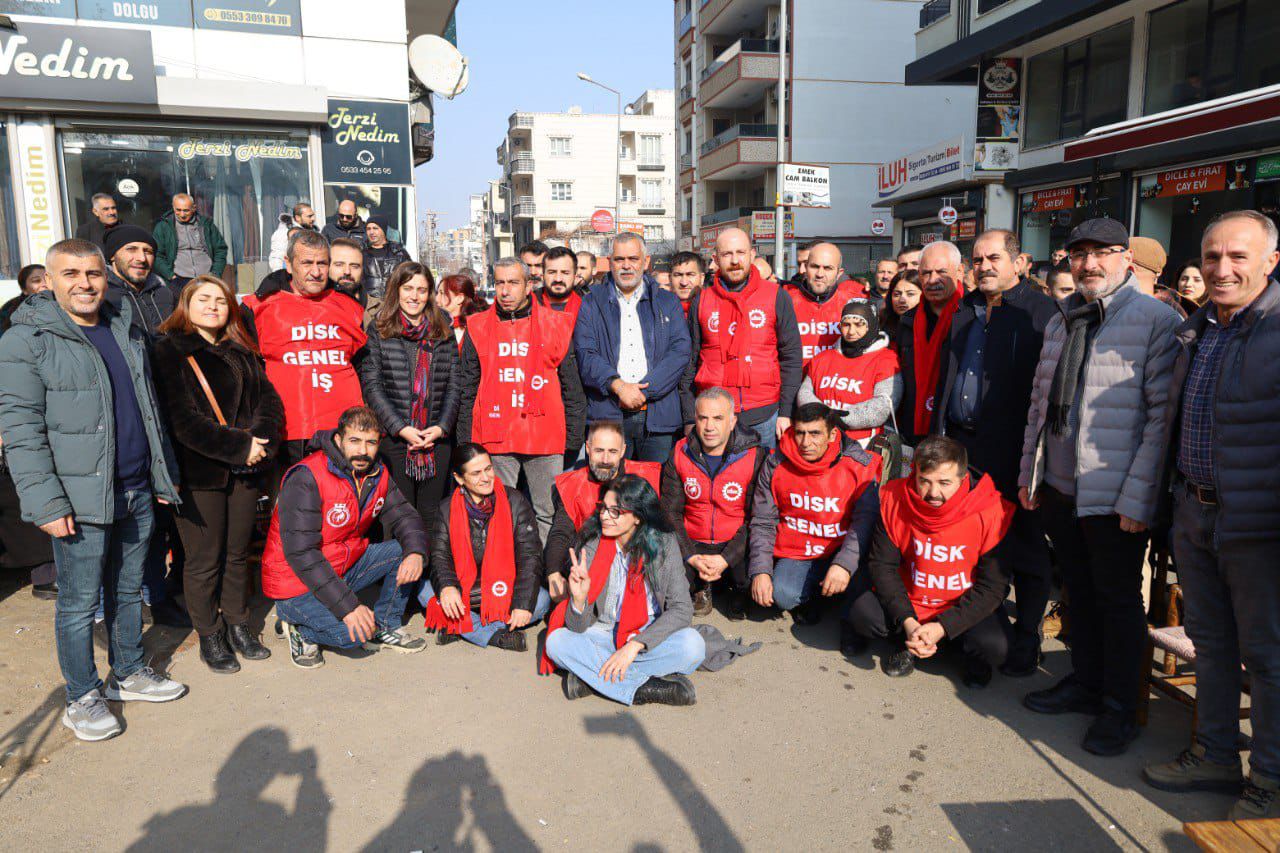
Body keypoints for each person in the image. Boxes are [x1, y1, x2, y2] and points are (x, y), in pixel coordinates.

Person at [0, 238, 185, 742]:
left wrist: (159, 475)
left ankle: (126, 672)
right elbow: (20, 428)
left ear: (107, 277)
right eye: (71, 274)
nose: (84, 284)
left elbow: (146, 409)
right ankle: (81, 695)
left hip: (135, 487)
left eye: (93, 274)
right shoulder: (27, 339)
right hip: (77, 498)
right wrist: (46, 502)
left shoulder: (123, 325)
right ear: (50, 281)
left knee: (128, 590)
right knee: (79, 603)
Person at [1018, 218, 1180, 757]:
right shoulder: (1065, 317)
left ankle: (1120, 707)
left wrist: (1140, 499)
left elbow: (1160, 422)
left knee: (1117, 602)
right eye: (1078, 254)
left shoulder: (1154, 320)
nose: (1088, 264)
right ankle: (1086, 684)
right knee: (1078, 595)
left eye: (1101, 253)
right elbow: (1040, 406)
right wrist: (1031, 475)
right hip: (1061, 486)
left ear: (1125, 259)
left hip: (1115, 494)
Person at [1143, 211, 1280, 819]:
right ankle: (1217, 754)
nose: (1222, 269)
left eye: (1238, 258)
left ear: (1271, 261)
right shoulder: (1197, 328)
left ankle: (1270, 782)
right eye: (1212, 256)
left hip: (1260, 529)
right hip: (1194, 513)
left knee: (1271, 659)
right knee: (1212, 646)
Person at [932, 230, 1057, 675]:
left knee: (1023, 545)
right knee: (969, 542)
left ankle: (1027, 636)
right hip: (963, 446)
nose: (985, 265)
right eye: (978, 259)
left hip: (1015, 451)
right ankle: (979, 626)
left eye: (995, 257)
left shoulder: (1040, 312)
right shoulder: (965, 309)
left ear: (1019, 261)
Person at [153, 275, 284, 673]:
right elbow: (181, 420)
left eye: (221, 301)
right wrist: (239, 447)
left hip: (245, 472)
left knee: (237, 554)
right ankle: (210, 633)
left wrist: (258, 443)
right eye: (203, 299)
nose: (213, 306)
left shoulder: (240, 350)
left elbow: (269, 403)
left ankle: (239, 622)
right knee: (204, 559)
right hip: (199, 474)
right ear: (186, 304)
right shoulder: (168, 350)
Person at [263, 406, 429, 668]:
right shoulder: (307, 476)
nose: (363, 451)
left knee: (403, 551)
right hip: (295, 581)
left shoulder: (377, 472)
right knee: (353, 635)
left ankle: (387, 625)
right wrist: (349, 607)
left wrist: (416, 552)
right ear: (339, 440)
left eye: (370, 442)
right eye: (354, 441)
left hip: (340, 564)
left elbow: (404, 516)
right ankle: (298, 626)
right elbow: (302, 554)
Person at [848, 435, 1014, 685]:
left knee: (996, 646)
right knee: (862, 614)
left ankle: (958, 651)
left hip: (960, 603)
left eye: (945, 483)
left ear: (963, 478)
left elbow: (993, 587)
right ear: (914, 474)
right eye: (924, 481)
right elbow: (883, 566)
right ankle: (911, 640)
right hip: (910, 601)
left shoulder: (990, 510)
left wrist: (942, 627)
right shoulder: (894, 499)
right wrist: (908, 621)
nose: (933, 493)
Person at [543, 474, 706, 706]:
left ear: (638, 517)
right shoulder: (592, 543)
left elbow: (681, 609)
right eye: (604, 508)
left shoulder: (664, 543)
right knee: (557, 642)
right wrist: (578, 601)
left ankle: (593, 678)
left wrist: (635, 645)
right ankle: (645, 688)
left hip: (648, 634)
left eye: (615, 511)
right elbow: (577, 628)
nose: (605, 516)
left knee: (693, 645)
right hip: (604, 632)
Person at [456, 257, 585, 542]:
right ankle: (501, 576)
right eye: (499, 282)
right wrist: (465, 442)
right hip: (495, 436)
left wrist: (573, 440)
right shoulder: (477, 326)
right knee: (495, 511)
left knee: (546, 513)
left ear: (529, 285)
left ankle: (543, 575)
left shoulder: (556, 324)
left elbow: (571, 388)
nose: (505, 290)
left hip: (545, 436)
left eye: (513, 282)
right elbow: (467, 389)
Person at [748, 403, 879, 641]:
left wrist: (844, 564)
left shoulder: (858, 465)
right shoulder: (776, 462)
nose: (806, 442)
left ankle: (850, 620)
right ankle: (815, 595)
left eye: (815, 433)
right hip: (799, 549)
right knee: (783, 595)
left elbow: (864, 523)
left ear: (832, 434)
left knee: (862, 594)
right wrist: (761, 570)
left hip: (843, 547)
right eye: (800, 433)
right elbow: (763, 520)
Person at [253, 230, 367, 470]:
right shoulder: (260, 307)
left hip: (341, 430)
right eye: (307, 263)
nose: (316, 272)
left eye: (322, 263)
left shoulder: (350, 307)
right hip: (287, 431)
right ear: (289, 264)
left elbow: (364, 364)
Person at [681, 227, 803, 450]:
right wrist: (690, 417)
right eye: (727, 254)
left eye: (741, 252)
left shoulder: (776, 296)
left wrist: (786, 412)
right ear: (715, 259)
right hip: (713, 419)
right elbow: (689, 362)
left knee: (763, 484)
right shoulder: (703, 300)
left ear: (752, 255)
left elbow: (791, 357)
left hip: (765, 417)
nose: (735, 260)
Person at [575, 233, 692, 463]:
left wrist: (644, 392)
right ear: (609, 261)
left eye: (633, 258)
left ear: (645, 261)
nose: (626, 265)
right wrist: (618, 386)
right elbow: (586, 354)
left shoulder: (668, 302)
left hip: (657, 415)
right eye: (619, 259)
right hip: (608, 412)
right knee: (608, 492)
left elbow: (679, 352)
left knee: (652, 491)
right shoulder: (591, 302)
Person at [420, 443, 549, 651]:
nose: (486, 477)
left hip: (504, 592)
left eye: (488, 469)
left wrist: (522, 605)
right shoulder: (446, 509)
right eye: (476, 473)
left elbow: (530, 556)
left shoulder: (514, 501)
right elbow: (439, 555)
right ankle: (498, 635)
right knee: (423, 591)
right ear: (459, 478)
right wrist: (447, 586)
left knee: (541, 600)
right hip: (464, 593)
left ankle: (459, 626)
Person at [360, 262, 459, 531]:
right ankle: (402, 573)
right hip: (395, 440)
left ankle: (428, 572)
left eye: (422, 290)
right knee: (399, 518)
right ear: (397, 289)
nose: (414, 296)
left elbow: (454, 385)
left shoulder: (443, 331)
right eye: (408, 288)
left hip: (435, 440)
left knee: (432, 517)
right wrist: (401, 428)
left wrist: (441, 428)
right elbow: (372, 386)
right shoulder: (380, 330)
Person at [660, 387, 764, 619]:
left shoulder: (754, 456)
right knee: (669, 585)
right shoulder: (679, 452)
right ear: (695, 419)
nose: (709, 426)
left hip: (735, 539)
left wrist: (726, 558)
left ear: (732, 421)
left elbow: (756, 518)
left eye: (718, 418)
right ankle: (700, 586)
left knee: (751, 575)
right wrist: (690, 556)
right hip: (693, 539)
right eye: (703, 418)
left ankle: (738, 589)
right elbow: (670, 512)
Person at [544, 422, 662, 598]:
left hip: (635, 562)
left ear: (623, 451)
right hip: (591, 564)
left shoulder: (645, 476)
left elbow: (660, 532)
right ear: (588, 449)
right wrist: (553, 573)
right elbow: (560, 533)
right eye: (599, 451)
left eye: (612, 451)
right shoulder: (573, 484)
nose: (605, 460)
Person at [799, 300, 901, 446]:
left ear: (871, 325)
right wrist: (825, 417)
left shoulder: (887, 359)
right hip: (820, 439)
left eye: (859, 324)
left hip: (863, 445)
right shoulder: (823, 358)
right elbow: (805, 392)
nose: (851, 331)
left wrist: (841, 418)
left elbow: (883, 406)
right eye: (846, 324)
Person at [895, 241, 963, 444]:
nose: (933, 280)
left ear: (959, 271)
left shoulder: (973, 316)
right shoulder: (907, 320)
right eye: (926, 273)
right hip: (913, 428)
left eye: (941, 272)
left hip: (957, 432)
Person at [786, 242, 869, 365]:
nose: (820, 274)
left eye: (827, 268)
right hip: (794, 382)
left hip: (836, 381)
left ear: (839, 273)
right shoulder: (785, 300)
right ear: (805, 268)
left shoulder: (855, 302)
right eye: (814, 266)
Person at [103, 224, 176, 340]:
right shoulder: (101, 297)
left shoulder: (166, 293)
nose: (142, 258)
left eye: (148, 252)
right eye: (131, 249)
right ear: (112, 256)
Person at [153, 193, 228, 289]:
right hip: (179, 279)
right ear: (173, 207)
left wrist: (215, 273)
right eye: (178, 210)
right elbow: (157, 255)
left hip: (207, 276)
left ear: (194, 208)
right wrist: (171, 276)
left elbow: (220, 249)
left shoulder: (206, 224)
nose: (182, 214)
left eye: (186, 210)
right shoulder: (164, 227)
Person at [362, 216, 412, 314]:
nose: (371, 232)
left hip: (394, 306)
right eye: (368, 229)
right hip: (369, 307)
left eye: (375, 228)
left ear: (383, 230)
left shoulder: (399, 253)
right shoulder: (361, 254)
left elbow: (410, 278)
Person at [436, 273, 488, 345]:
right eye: (437, 293)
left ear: (459, 298)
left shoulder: (477, 328)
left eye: (442, 293)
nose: (436, 299)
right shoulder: (434, 326)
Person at [537, 246, 584, 319]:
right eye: (552, 272)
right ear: (542, 275)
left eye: (565, 273)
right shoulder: (528, 304)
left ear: (575, 276)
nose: (558, 279)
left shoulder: (589, 306)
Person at [1, 264, 49, 333]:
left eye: (48, 279)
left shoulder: (65, 306)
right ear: (24, 290)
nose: (45, 284)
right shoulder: (8, 313)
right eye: (36, 281)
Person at [269, 203, 317, 272]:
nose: (313, 219)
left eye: (313, 215)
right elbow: (276, 258)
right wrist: (280, 278)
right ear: (298, 218)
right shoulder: (283, 232)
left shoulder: (312, 231)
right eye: (309, 216)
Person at [881, 269, 921, 343]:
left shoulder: (932, 327)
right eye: (897, 294)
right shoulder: (880, 326)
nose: (902, 300)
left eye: (910, 294)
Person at [669, 251, 704, 316]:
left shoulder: (713, 309)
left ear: (702, 278)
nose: (684, 282)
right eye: (678, 275)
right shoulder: (658, 310)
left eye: (690, 274)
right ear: (670, 278)